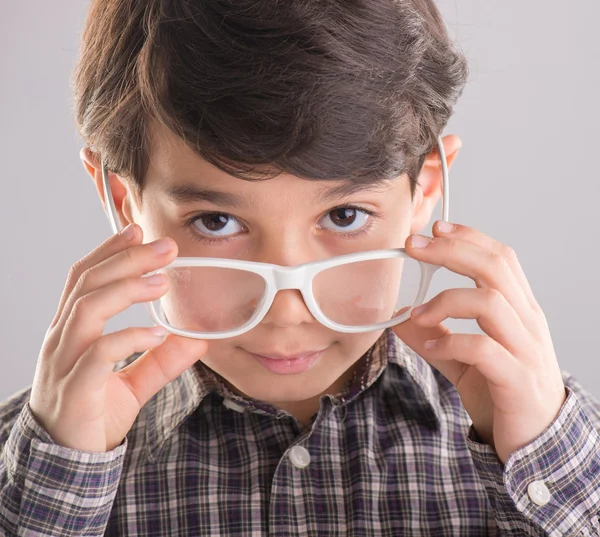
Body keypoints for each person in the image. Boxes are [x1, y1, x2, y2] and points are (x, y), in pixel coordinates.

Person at [1, 0, 599, 535]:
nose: (289, 311)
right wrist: (57, 492)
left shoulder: (551, 447)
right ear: (125, 201)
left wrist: (539, 460)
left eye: (343, 215)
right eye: (215, 222)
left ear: (423, 192)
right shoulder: (34, 474)